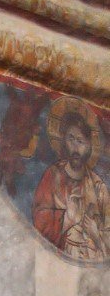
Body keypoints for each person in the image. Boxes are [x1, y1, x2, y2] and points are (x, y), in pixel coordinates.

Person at [32, 101, 110, 262]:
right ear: (63, 141)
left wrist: (96, 234)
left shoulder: (98, 187)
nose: (75, 147)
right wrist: (67, 219)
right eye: (71, 139)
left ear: (89, 146)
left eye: (81, 141)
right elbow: (40, 222)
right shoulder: (52, 176)